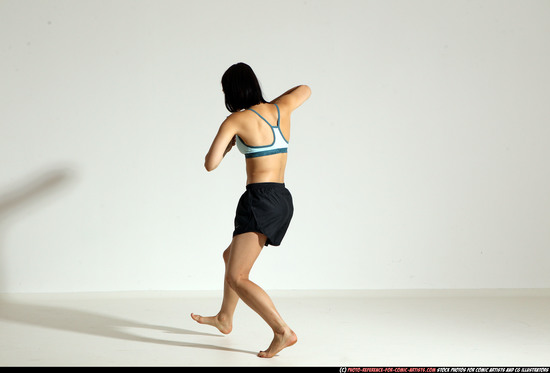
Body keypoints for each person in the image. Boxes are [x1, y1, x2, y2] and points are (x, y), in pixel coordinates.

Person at [191, 62, 311, 358]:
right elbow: (305, 89)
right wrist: (273, 103)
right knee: (229, 256)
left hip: (258, 199)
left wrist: (231, 145)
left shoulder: (236, 120)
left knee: (237, 276)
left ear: (231, 92)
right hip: (282, 197)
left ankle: (283, 331)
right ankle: (225, 318)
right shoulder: (281, 107)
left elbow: (210, 163)